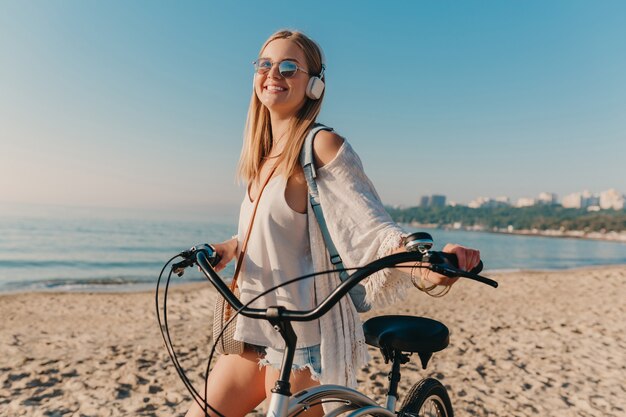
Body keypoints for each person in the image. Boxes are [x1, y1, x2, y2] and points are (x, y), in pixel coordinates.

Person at [185, 29, 481, 417]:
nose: (275, 73)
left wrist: (430, 265)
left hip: (303, 343)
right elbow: (264, 233)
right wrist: (228, 247)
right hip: (254, 330)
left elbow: (373, 230)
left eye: (290, 67)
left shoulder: (321, 146)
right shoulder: (262, 156)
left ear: (314, 85)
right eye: (266, 64)